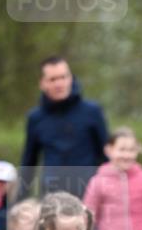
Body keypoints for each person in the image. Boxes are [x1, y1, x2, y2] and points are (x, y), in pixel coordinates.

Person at [19, 57, 109, 199]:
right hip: (52, 196)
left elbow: (106, 155)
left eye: (63, 77)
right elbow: (29, 161)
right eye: (53, 79)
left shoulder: (92, 112)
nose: (59, 83)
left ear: (71, 78)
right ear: (42, 83)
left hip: (88, 194)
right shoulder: (35, 118)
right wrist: (20, 201)